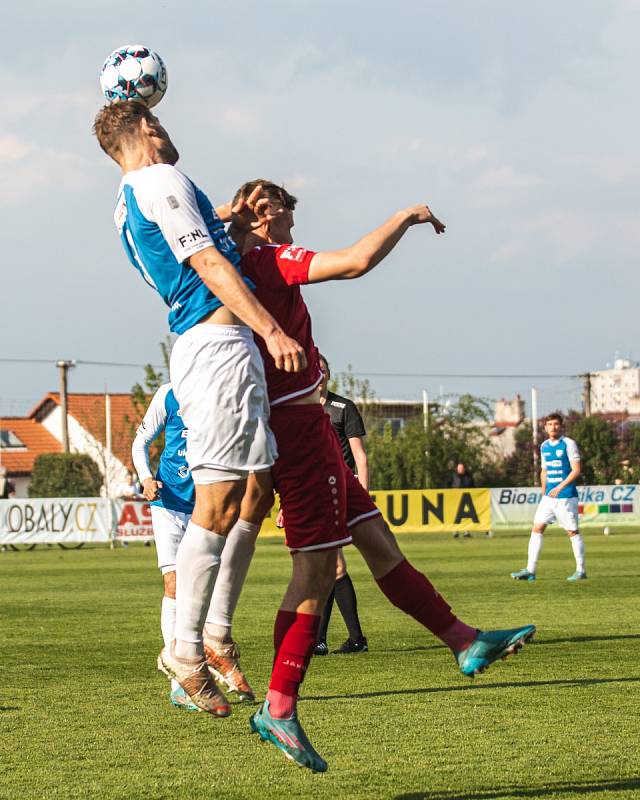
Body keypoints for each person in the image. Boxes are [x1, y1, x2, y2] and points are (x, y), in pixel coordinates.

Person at [216, 179, 535, 772]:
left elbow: (209, 230)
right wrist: (406, 215)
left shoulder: (238, 256)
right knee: (314, 569)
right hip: (300, 430)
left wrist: (233, 214)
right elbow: (357, 261)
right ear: (265, 217)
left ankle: (463, 640)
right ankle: (279, 707)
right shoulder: (271, 257)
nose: (291, 216)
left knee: (377, 541)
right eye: (282, 207)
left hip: (303, 431)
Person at [93, 101, 306, 717]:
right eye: (161, 121)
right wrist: (271, 330)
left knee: (256, 493)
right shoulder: (159, 179)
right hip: (216, 346)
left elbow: (213, 248)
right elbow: (206, 264)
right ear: (147, 130)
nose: (169, 130)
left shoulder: (131, 197)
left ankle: (211, 637)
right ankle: (188, 649)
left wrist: (234, 224)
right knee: (217, 504)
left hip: (213, 346)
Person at [314, 353, 369, 656]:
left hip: (340, 492)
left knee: (332, 564)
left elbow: (359, 455)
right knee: (327, 565)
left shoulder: (342, 408)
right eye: (314, 370)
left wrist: (363, 495)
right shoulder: (303, 409)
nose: (318, 375)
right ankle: (352, 638)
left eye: (322, 370)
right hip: (314, 495)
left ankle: (322, 640)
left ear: (328, 375)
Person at [511, 413, 586, 581]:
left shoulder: (568, 444)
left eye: (556, 424)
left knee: (572, 531)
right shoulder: (544, 446)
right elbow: (544, 471)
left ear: (561, 426)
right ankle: (530, 570)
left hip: (565, 496)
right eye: (550, 424)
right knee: (537, 528)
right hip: (548, 498)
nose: (553, 427)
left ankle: (581, 570)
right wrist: (544, 491)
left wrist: (560, 486)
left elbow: (576, 470)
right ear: (545, 427)